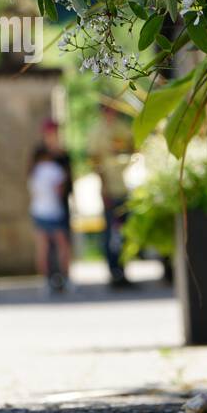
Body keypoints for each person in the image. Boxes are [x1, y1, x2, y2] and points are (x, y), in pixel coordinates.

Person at [89, 102, 133, 288]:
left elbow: (132, 146)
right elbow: (94, 162)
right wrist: (103, 188)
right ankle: (113, 271)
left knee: (124, 232)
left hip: (123, 186)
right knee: (110, 233)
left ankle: (123, 269)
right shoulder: (96, 132)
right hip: (109, 189)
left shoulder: (121, 127)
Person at [28, 145, 71, 291]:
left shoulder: (34, 172)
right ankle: (66, 279)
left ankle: (45, 281)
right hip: (54, 211)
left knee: (42, 248)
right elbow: (59, 191)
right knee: (63, 246)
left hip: (38, 211)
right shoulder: (55, 169)